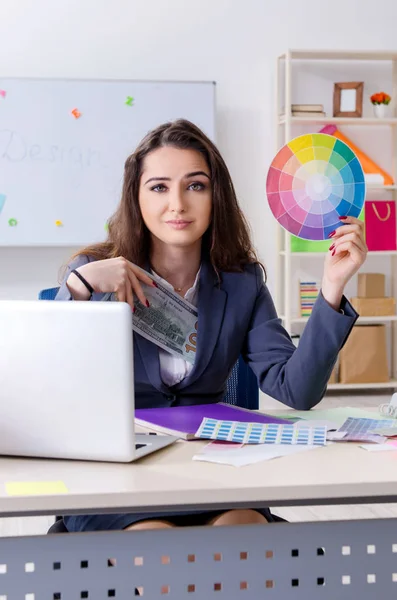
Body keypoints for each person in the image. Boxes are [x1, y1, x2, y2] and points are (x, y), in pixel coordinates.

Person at [55, 119, 367, 532]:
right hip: (116, 475)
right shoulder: (92, 274)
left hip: (209, 470)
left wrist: (331, 287)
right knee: (157, 545)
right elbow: (52, 386)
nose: (178, 204)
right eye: (159, 187)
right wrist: (80, 286)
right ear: (136, 196)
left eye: (195, 185)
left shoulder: (242, 283)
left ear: (215, 195)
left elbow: (298, 390)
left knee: (244, 535)